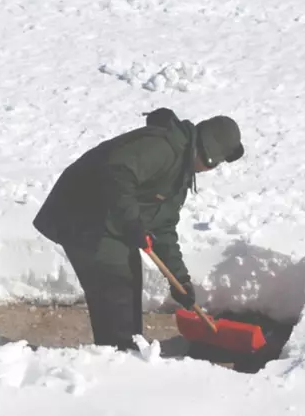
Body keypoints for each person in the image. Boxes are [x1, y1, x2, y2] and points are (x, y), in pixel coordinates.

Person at [32, 108, 244, 351]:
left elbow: (163, 227)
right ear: (209, 156)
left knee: (129, 278)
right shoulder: (163, 148)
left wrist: (180, 280)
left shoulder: (181, 169)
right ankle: (118, 355)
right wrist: (132, 221)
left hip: (110, 220)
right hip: (81, 213)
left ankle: (128, 349)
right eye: (214, 164)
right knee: (115, 283)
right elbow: (116, 172)